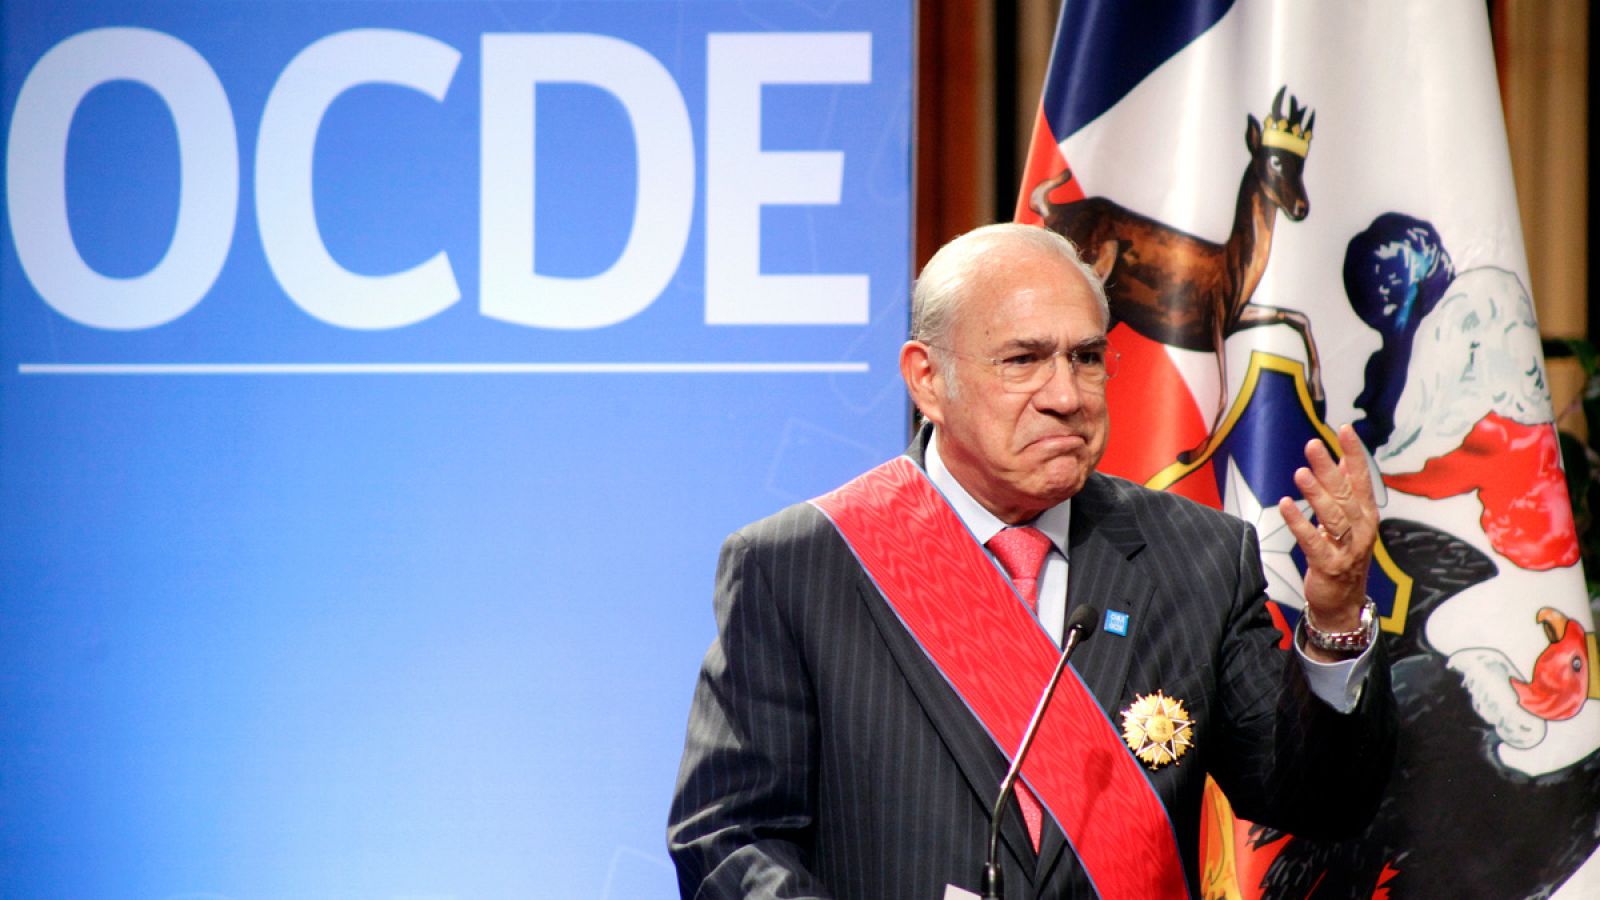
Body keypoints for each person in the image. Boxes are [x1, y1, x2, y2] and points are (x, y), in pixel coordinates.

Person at [668, 223, 1397, 899]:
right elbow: (729, 839)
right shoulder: (797, 568)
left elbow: (1318, 803)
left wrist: (1334, 617)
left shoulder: (1200, 556)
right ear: (927, 380)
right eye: (1023, 360)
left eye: (1085, 358)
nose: (1066, 396)